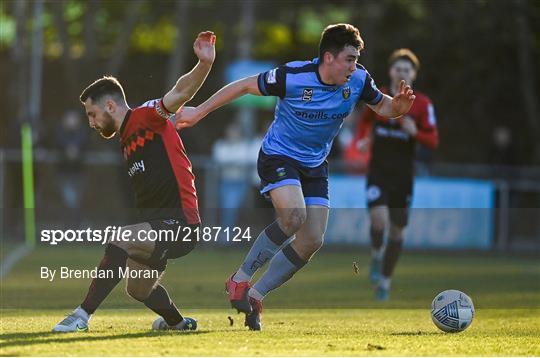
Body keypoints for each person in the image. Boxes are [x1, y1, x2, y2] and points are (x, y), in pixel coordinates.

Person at [175, 24, 415, 331]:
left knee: (312, 239)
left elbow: (383, 105)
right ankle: (240, 279)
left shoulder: (358, 80)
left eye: (356, 59)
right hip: (279, 156)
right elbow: (245, 86)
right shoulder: (293, 76)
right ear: (328, 58)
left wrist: (398, 107)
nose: (354, 65)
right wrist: (199, 112)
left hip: (315, 165)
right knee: (293, 217)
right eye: (349, 58)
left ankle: (256, 296)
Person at [52, 31, 216, 332]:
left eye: (92, 113)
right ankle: (179, 323)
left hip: (179, 223)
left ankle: (81, 316)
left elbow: (180, 93)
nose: (90, 122)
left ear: (111, 106)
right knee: (138, 289)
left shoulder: (145, 117)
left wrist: (204, 64)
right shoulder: (125, 138)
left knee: (119, 238)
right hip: (157, 224)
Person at [352, 48, 439, 300]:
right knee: (378, 220)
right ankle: (376, 254)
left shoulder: (422, 104)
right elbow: (365, 122)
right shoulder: (378, 96)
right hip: (378, 170)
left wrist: (415, 132)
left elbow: (432, 140)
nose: (402, 72)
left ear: (413, 74)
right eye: (398, 68)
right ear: (391, 71)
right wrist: (363, 140)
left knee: (398, 230)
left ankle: (385, 283)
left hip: (403, 175)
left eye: (407, 69)